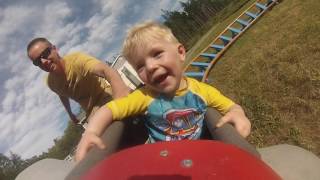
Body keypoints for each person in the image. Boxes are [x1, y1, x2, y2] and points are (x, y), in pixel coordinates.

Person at [75, 21, 255, 162]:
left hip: (205, 155)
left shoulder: (202, 91)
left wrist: (238, 114)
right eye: (140, 66)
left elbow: (232, 107)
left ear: (181, 53)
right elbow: (109, 109)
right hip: (164, 163)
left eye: (157, 54)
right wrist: (90, 132)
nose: (151, 66)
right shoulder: (144, 97)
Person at [27, 38, 131, 124]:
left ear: (55, 49)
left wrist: (121, 92)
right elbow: (62, 94)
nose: (43, 62)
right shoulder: (51, 83)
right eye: (37, 62)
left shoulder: (77, 60)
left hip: (107, 98)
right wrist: (70, 114)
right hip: (92, 113)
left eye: (45, 53)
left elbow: (105, 70)